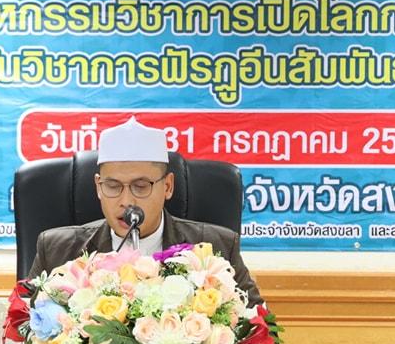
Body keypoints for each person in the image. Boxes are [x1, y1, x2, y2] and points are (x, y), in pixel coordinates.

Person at [28, 116, 264, 306]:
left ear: (168, 186)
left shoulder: (216, 247)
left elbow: (261, 332)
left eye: (141, 187)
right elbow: (20, 329)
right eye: (113, 186)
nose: (126, 201)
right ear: (98, 187)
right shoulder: (57, 251)